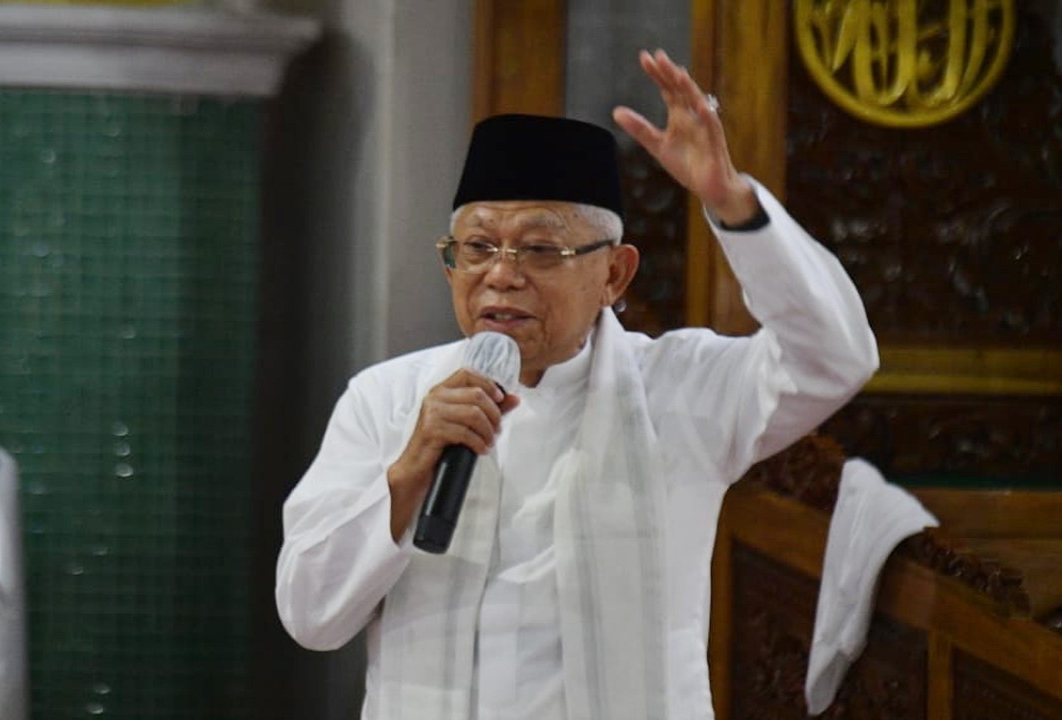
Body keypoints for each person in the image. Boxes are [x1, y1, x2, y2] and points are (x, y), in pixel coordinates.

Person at [275, 49, 878, 720]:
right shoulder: (387, 400)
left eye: (539, 250)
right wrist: (411, 467)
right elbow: (310, 614)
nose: (501, 276)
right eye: (477, 248)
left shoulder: (679, 391)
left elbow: (836, 358)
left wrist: (732, 203)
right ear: (449, 263)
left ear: (615, 276)